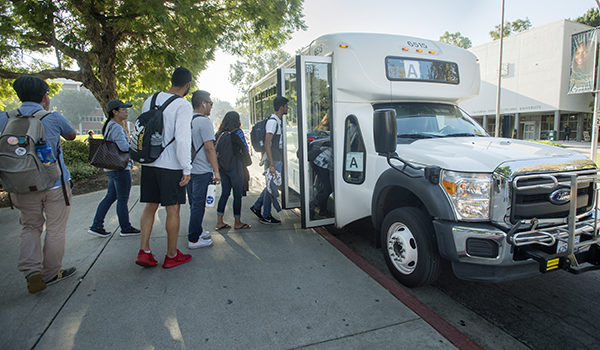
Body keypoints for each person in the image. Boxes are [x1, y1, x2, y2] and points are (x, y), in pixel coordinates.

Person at [0, 76, 77, 294]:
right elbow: (71, 135)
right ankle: (51, 273)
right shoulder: (53, 118)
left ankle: (31, 270)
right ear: (45, 96)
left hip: (21, 185)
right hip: (54, 184)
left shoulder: (3, 119)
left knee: (30, 226)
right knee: (55, 229)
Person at [135, 67, 194, 269]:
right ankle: (171, 255)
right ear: (187, 85)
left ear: (171, 80)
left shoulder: (149, 100)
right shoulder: (183, 106)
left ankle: (144, 251)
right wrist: (187, 168)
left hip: (149, 162)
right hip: (171, 165)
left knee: (150, 206)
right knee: (173, 209)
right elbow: (183, 139)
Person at [88, 100, 140, 238]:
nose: (126, 111)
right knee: (122, 199)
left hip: (111, 169)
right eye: (123, 109)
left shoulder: (109, 126)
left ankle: (97, 225)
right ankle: (125, 227)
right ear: (115, 112)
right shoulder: (116, 127)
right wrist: (131, 143)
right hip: (120, 169)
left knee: (111, 197)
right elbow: (123, 147)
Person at [186, 90, 220, 249]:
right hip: (201, 170)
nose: (211, 107)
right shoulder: (205, 122)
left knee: (194, 204)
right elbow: (209, 149)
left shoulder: (186, 120)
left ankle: (197, 231)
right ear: (203, 104)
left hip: (188, 169)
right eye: (211, 104)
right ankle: (193, 239)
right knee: (198, 205)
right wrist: (216, 171)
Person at [249, 96, 288, 224]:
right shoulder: (273, 122)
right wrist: (271, 164)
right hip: (274, 159)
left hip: (276, 159)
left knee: (270, 186)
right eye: (286, 106)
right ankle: (266, 215)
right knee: (272, 187)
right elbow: (267, 143)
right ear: (281, 107)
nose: (287, 108)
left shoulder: (277, 121)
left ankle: (257, 207)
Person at [215, 111, 252, 230]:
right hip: (236, 167)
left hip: (223, 168)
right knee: (237, 195)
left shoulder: (219, 134)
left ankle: (219, 222)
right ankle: (237, 222)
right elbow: (245, 148)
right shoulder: (238, 132)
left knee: (224, 194)